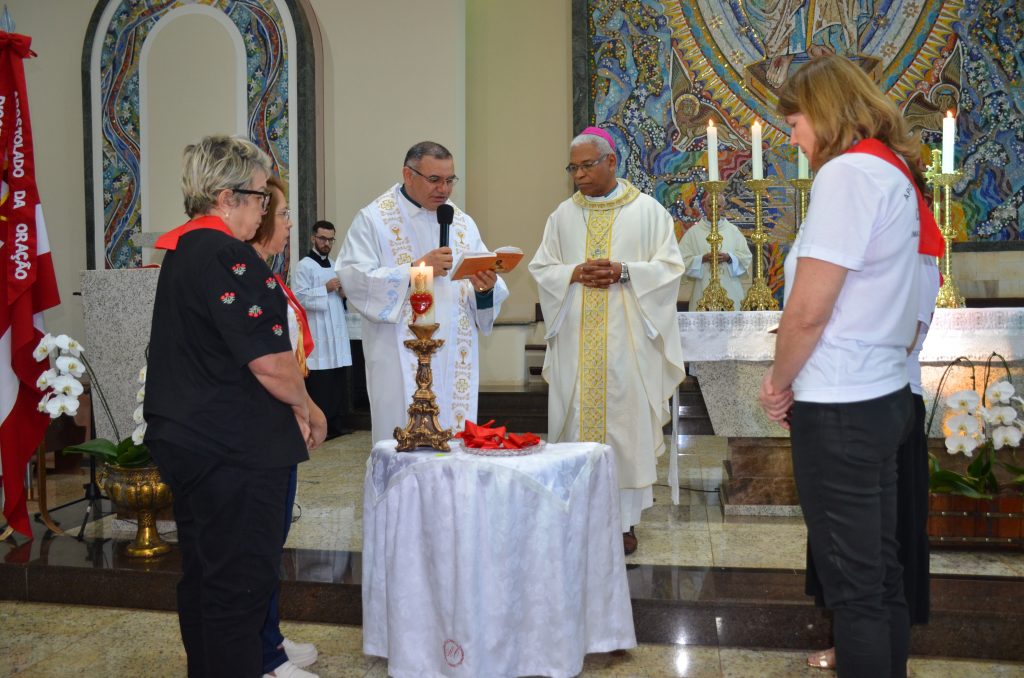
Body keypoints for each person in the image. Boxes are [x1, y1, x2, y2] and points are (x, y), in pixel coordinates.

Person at [757, 55, 942, 678]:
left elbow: (808, 309)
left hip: (840, 405)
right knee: (881, 578)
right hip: (883, 397)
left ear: (826, 111)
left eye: (795, 119)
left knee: (856, 592)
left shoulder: (848, 174)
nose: (792, 136)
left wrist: (779, 384)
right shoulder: (891, 172)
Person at [146, 135, 326, 677]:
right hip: (234, 450)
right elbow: (269, 360)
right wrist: (310, 407)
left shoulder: (185, 251)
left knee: (205, 576)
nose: (264, 208)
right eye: (259, 196)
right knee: (239, 586)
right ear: (227, 198)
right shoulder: (226, 253)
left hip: (190, 440)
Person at [529, 127, 686, 556]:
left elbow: (671, 267)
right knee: (578, 426)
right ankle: (576, 517)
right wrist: (573, 273)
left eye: (586, 165)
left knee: (625, 429)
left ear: (611, 162)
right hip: (578, 347)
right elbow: (542, 268)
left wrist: (626, 271)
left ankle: (623, 523)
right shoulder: (562, 216)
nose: (578, 175)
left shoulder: (649, 212)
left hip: (628, 348)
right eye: (573, 167)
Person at [805, 253, 940, 671]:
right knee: (847, 544)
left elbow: (909, 336)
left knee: (888, 539)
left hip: (888, 397)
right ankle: (850, 640)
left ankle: (878, 647)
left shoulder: (919, 256)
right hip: (854, 396)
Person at [336, 141, 509, 442]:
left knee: (453, 440)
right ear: (408, 174)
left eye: (450, 180)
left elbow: (480, 280)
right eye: (434, 180)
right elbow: (354, 278)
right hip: (397, 353)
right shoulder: (374, 219)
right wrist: (416, 269)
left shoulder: (462, 223)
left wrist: (485, 288)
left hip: (454, 353)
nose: (444, 189)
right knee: (402, 443)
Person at [248, 176, 325, 678]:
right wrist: (305, 408)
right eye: (282, 212)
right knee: (254, 550)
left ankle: (270, 636)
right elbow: (266, 362)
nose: (290, 223)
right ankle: (263, 656)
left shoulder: (266, 275)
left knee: (270, 542)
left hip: (280, 427)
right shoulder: (245, 278)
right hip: (258, 432)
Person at [294, 220, 353, 439]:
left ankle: (337, 424)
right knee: (322, 383)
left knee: (337, 379)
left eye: (330, 239)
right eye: (322, 238)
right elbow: (299, 297)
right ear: (313, 238)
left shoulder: (336, 264)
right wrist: (325, 289)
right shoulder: (304, 266)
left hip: (335, 329)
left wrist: (343, 293)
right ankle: (321, 426)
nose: (326, 243)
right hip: (318, 331)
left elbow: (342, 296)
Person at [679, 192, 752, 311]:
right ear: (704, 207)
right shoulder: (693, 233)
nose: (714, 209)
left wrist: (729, 258)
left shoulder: (733, 231)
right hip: (702, 290)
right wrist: (702, 259)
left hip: (730, 290)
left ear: (723, 207)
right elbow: (681, 259)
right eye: (710, 205)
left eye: (718, 206)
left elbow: (746, 257)